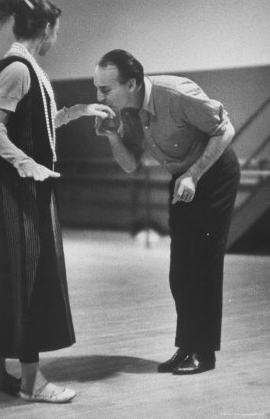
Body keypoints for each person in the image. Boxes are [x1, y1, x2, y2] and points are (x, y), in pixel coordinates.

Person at [0, 0, 114, 403]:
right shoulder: (17, 68)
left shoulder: (30, 68)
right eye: (57, 30)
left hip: (33, 189)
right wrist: (29, 166)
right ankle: (32, 382)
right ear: (47, 28)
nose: (57, 37)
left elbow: (37, 124)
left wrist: (81, 110)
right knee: (28, 281)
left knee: (13, 278)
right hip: (22, 192)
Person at [94, 49, 240, 375]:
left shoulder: (176, 93)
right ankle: (186, 348)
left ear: (131, 84)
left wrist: (194, 174)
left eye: (106, 89)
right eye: (97, 89)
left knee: (203, 264)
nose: (99, 96)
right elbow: (131, 165)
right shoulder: (127, 113)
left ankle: (204, 354)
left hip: (213, 173)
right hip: (182, 178)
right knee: (179, 272)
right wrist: (112, 136)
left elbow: (225, 129)